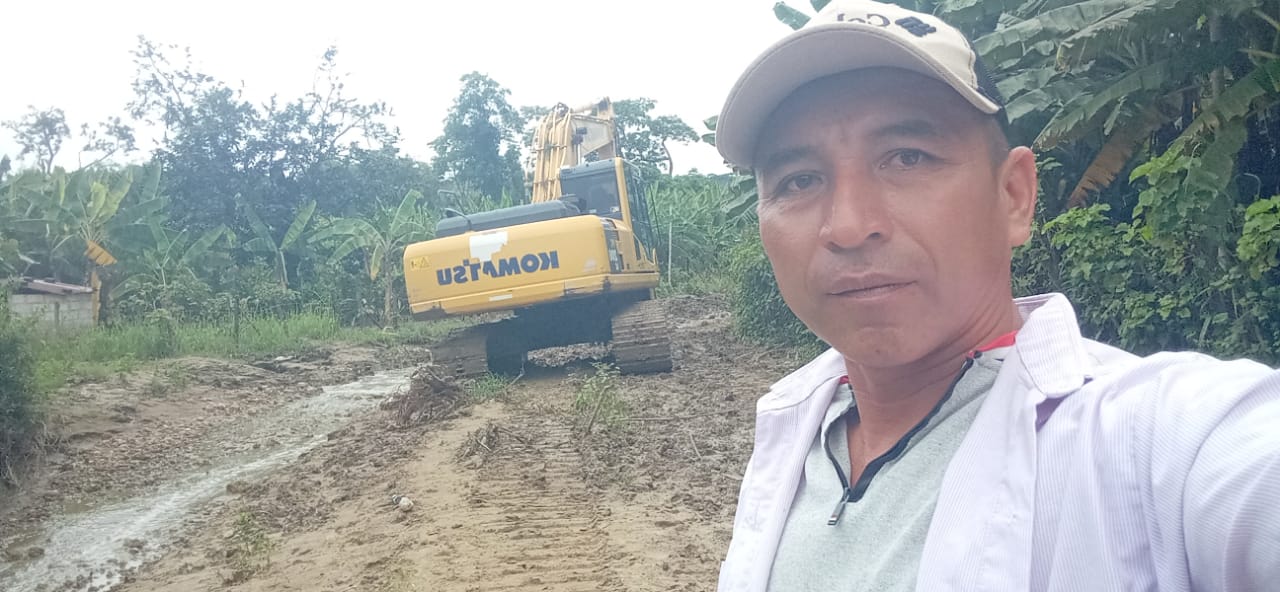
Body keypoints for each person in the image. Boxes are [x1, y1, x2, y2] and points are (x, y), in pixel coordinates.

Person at [710, 1, 1280, 591]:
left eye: (907, 157)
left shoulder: (1154, 441)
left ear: (1013, 196)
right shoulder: (793, 425)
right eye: (799, 180)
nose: (849, 226)